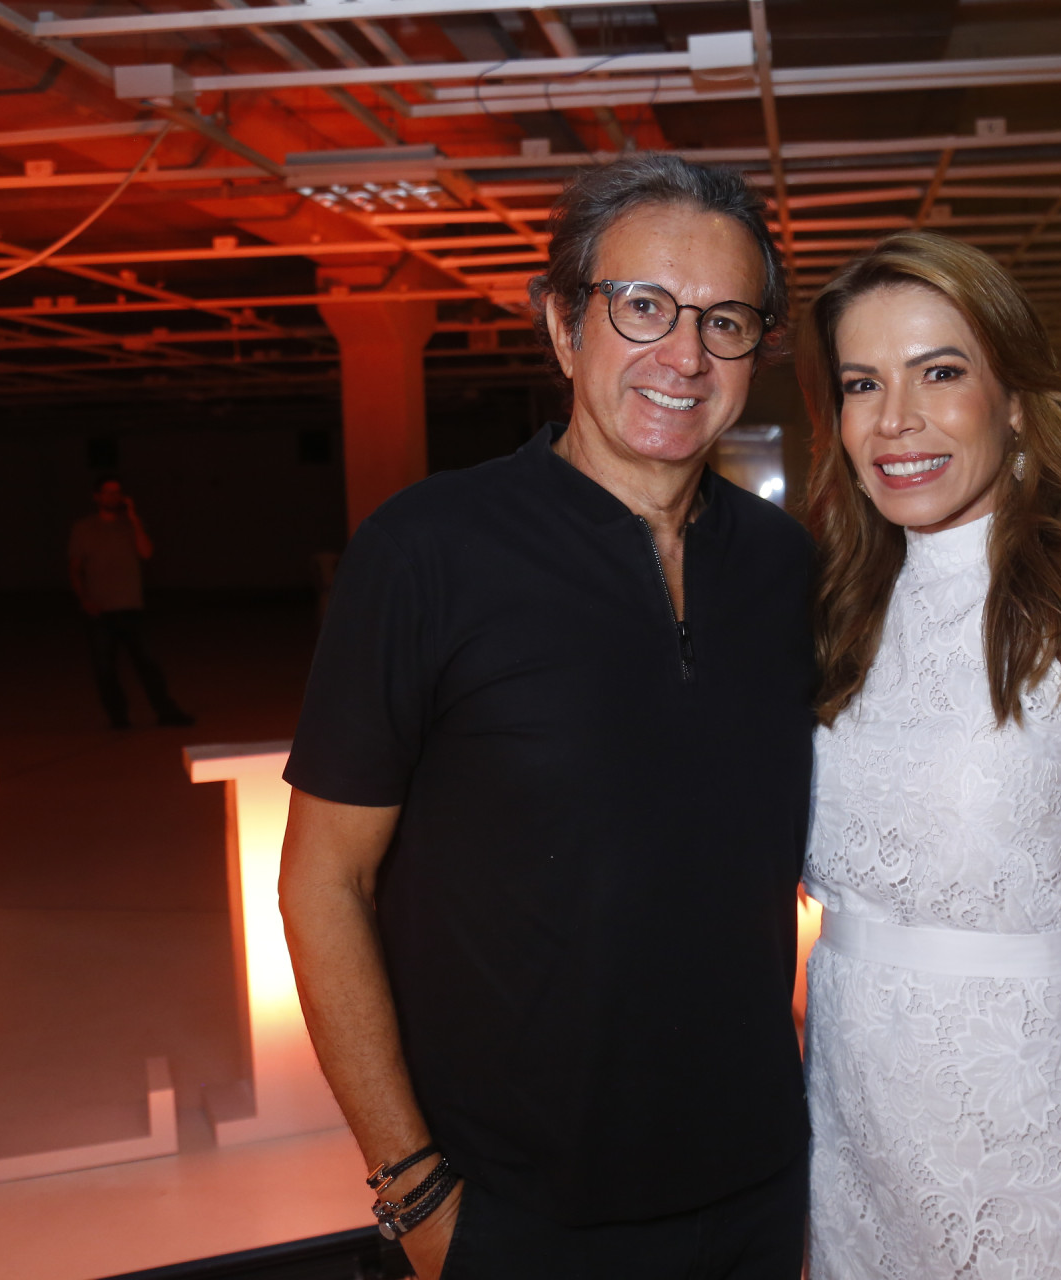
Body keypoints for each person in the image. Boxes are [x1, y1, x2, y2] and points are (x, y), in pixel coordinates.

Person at [278, 154, 814, 1280]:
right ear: (565, 326)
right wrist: (413, 1187)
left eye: (724, 321)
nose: (685, 355)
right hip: (513, 1214)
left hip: (759, 1190)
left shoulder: (784, 567)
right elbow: (324, 881)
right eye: (643, 306)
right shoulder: (426, 553)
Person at [797, 232, 1061, 1279]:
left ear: (1017, 400)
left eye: (940, 372)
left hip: (1035, 1144)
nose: (895, 419)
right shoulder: (832, 610)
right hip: (852, 1139)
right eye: (863, 383)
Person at [67, 475, 194, 729]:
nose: (113, 497)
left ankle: (166, 711)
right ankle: (118, 717)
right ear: (97, 496)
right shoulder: (84, 528)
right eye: (108, 492)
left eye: (117, 492)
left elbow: (146, 552)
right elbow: (75, 568)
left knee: (148, 663)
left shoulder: (130, 525)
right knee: (105, 668)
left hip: (131, 606)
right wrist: (84, 600)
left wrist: (134, 518)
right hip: (100, 610)